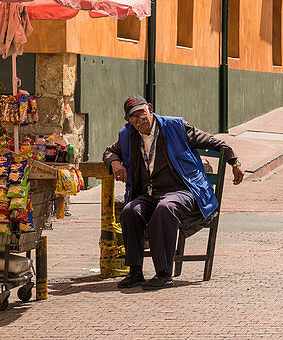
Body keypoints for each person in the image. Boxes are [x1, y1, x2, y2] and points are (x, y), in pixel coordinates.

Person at [104, 95, 245, 290]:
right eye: (133, 117)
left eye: (141, 113)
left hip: (183, 190)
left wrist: (234, 162)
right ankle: (135, 271)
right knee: (130, 211)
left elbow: (216, 143)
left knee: (166, 207)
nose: (139, 119)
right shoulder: (128, 135)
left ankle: (163, 273)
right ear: (127, 120)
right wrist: (115, 162)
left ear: (150, 109)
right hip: (152, 193)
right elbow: (109, 151)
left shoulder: (176, 126)